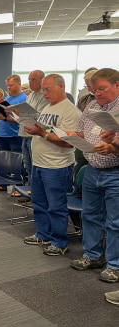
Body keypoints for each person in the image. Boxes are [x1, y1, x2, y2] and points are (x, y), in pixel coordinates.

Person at [69, 68, 119, 283]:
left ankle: (115, 264)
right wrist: (73, 136)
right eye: (94, 89)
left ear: (117, 86)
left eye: (102, 88)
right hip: (92, 169)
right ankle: (92, 255)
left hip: (115, 171)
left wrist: (114, 147)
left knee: (115, 222)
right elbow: (82, 131)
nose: (97, 93)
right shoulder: (90, 106)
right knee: (90, 216)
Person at [23, 74, 81, 256]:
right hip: (39, 163)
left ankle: (59, 242)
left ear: (61, 87)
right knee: (39, 203)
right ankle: (43, 234)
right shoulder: (48, 107)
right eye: (43, 89)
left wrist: (42, 134)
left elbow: (69, 142)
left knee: (56, 206)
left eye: (48, 89)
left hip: (57, 166)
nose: (44, 93)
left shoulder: (71, 111)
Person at [17, 70, 48, 186]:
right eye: (29, 79)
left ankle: (34, 194)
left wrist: (23, 112)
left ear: (42, 81)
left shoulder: (44, 96)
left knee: (35, 168)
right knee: (28, 167)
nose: (30, 82)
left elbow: (40, 116)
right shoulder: (29, 96)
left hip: (34, 135)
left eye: (33, 79)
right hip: (24, 134)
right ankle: (29, 193)